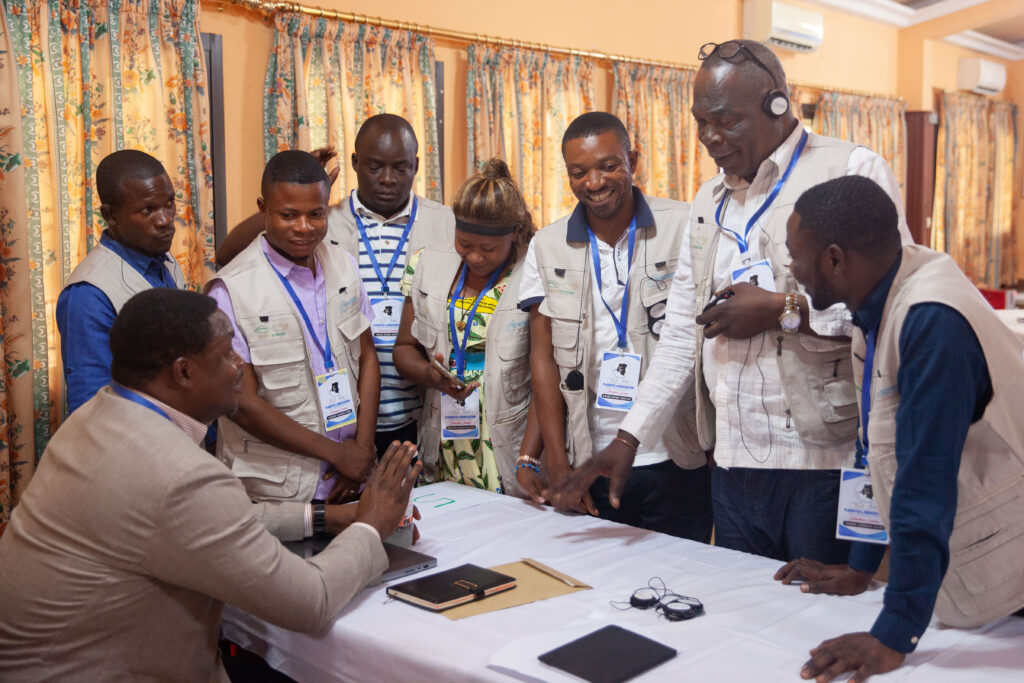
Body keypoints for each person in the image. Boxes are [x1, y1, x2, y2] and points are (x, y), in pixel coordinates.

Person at [550, 42, 911, 560]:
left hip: (821, 459)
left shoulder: (850, 171)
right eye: (700, 123)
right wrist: (628, 440)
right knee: (746, 620)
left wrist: (783, 309)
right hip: (733, 461)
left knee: (812, 622)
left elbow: (894, 309)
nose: (710, 139)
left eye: (725, 121)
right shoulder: (708, 201)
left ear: (777, 105)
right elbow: (680, 335)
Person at [0, 288, 421, 681]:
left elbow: (207, 521)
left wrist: (327, 517)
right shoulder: (179, 474)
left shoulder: (98, 415)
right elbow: (313, 601)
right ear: (183, 372)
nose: (240, 367)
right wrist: (371, 524)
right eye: (226, 356)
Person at [773, 175, 1024, 681]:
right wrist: (862, 567)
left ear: (836, 259)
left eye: (795, 255)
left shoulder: (932, 320)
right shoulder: (881, 299)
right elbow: (880, 451)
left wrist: (895, 632)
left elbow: (922, 483)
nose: (790, 268)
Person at [520, 112, 712, 541]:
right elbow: (543, 358)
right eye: (579, 172)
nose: (594, 182)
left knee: (684, 583)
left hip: (677, 454)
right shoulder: (547, 245)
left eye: (608, 165)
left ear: (634, 160)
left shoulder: (684, 226)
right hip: (591, 458)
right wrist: (555, 458)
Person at [216, 114, 456, 456]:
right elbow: (229, 254)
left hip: (421, 408)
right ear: (355, 163)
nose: (388, 179)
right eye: (375, 167)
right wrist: (289, 192)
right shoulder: (323, 220)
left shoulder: (446, 223)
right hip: (344, 417)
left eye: (400, 168)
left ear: (416, 166)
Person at [206, 150, 379, 513]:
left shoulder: (343, 266)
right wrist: (338, 454)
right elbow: (242, 404)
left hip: (349, 479)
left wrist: (360, 452)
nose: (304, 227)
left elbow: (367, 357)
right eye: (288, 215)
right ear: (263, 209)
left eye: (316, 214)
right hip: (277, 493)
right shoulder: (231, 291)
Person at [393, 159, 540, 497]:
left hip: (506, 441)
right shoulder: (427, 264)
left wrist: (531, 457)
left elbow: (547, 376)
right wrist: (432, 377)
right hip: (444, 438)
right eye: (464, 244)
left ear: (514, 234)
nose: (474, 257)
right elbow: (403, 348)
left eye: (488, 249)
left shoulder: (532, 274)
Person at [57, 149, 184, 413]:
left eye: (169, 203)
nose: (165, 220)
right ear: (110, 215)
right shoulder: (90, 294)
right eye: (148, 209)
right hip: (136, 444)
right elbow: (92, 407)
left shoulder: (164, 261)